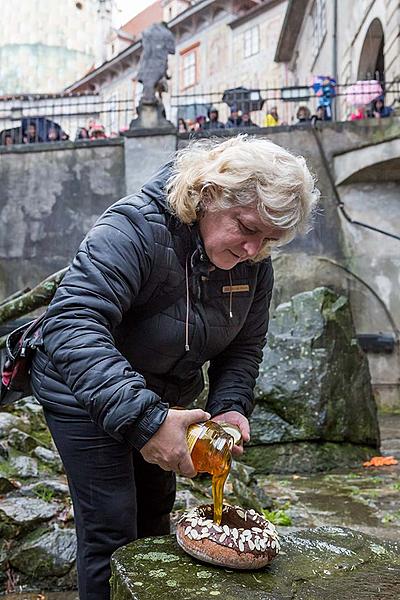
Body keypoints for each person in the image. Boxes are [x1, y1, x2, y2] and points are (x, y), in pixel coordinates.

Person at [30, 135, 319, 599]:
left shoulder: (253, 262)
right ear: (208, 194)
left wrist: (228, 407)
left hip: (165, 398)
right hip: (81, 389)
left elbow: (243, 347)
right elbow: (72, 322)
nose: (252, 248)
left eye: (269, 239)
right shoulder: (133, 228)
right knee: (111, 529)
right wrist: (147, 422)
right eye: (245, 227)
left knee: (155, 520)